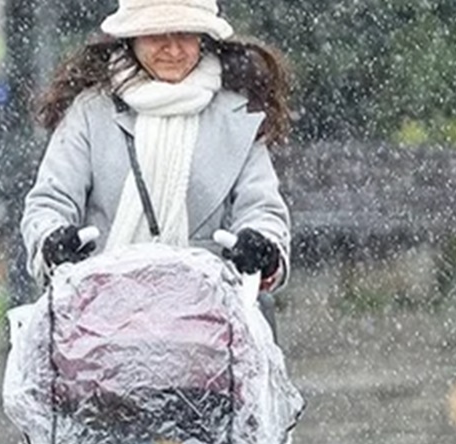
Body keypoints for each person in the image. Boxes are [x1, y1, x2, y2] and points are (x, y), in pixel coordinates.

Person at [20, 0, 291, 295]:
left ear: (204, 37)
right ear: (131, 38)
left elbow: (262, 209)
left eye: (185, 35)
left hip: (213, 320)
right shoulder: (90, 111)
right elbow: (50, 202)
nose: (173, 50)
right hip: (98, 318)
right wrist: (53, 242)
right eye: (156, 35)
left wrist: (263, 250)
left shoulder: (239, 116)